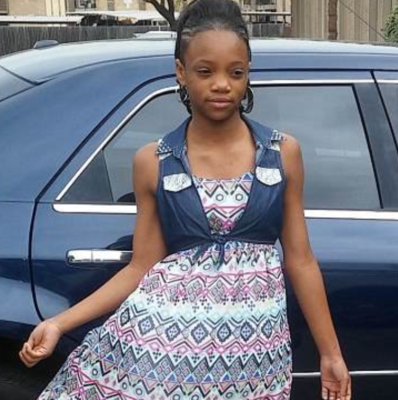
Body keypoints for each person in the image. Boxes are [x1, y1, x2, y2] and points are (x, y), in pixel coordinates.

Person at [19, 1, 351, 399]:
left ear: (248, 73)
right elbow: (141, 266)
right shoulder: (153, 162)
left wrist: (331, 353)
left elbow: (301, 261)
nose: (222, 84)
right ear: (181, 72)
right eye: (205, 71)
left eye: (236, 72)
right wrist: (60, 323)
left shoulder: (283, 154)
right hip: (166, 354)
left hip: (256, 361)